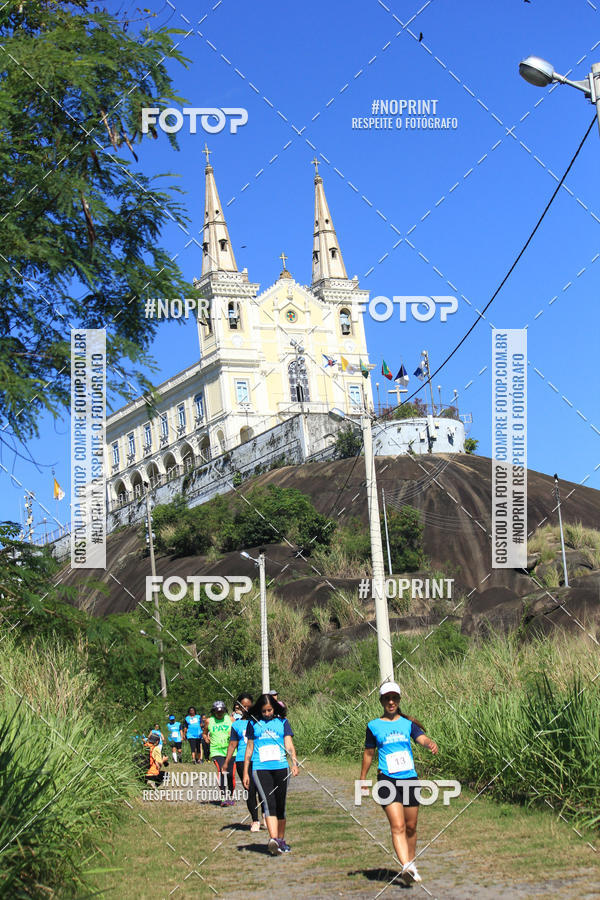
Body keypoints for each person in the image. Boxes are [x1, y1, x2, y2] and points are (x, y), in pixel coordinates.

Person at [360, 681, 438, 885]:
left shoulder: (407, 724)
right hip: (387, 779)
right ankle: (405, 866)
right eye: (387, 698)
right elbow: (369, 753)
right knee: (398, 825)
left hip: (409, 779)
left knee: (411, 826)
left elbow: (420, 737)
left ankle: (411, 864)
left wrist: (429, 743)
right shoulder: (373, 726)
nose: (391, 702)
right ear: (382, 701)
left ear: (399, 700)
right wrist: (363, 778)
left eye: (394, 698)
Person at [243, 693, 298, 855]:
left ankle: (280, 841)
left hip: (281, 767)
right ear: (259, 710)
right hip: (260, 769)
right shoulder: (253, 723)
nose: (267, 714)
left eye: (270, 710)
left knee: (280, 805)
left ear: (275, 709)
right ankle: (273, 839)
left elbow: (289, 744)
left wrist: (294, 762)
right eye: (264, 711)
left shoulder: (283, 722)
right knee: (269, 803)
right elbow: (249, 749)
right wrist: (246, 772)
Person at [223, 693, 264, 831]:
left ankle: (265, 814)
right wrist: (226, 761)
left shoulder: (259, 721)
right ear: (239, 707)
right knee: (249, 789)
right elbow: (232, 745)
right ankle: (255, 820)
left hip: (258, 758)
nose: (246, 708)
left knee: (262, 788)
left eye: (248, 706)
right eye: (243, 706)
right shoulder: (236, 725)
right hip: (242, 759)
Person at [205, 701, 234, 805]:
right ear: (213, 712)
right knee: (222, 771)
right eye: (217, 712)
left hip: (230, 750)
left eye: (222, 711)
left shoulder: (230, 719)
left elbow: (237, 732)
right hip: (216, 750)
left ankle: (230, 796)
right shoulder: (209, 721)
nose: (220, 714)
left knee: (230, 775)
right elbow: (204, 732)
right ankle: (223, 797)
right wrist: (205, 737)